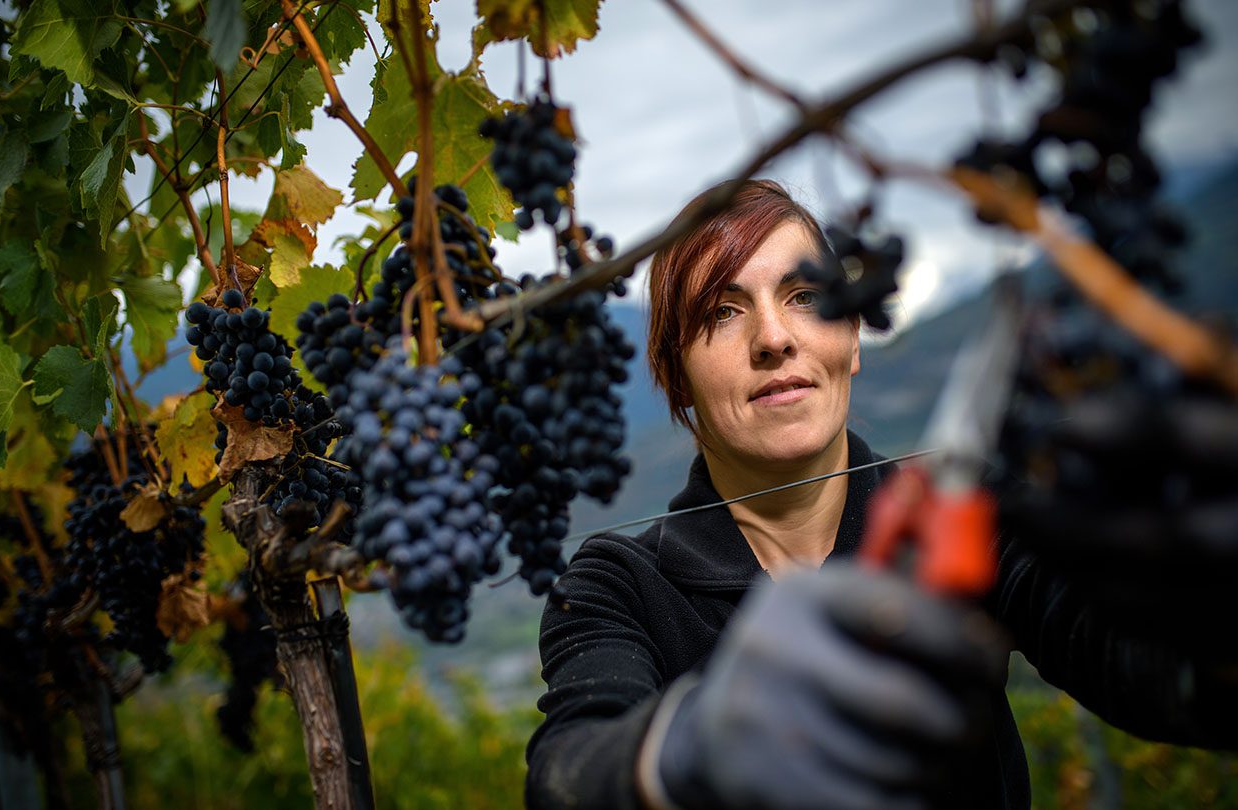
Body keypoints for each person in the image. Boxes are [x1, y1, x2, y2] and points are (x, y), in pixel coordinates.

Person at [524, 179, 1236, 810]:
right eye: (721, 313)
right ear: (676, 380)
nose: (773, 338)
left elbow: (1136, 666)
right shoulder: (612, 583)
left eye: (804, 297)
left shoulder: (967, 512)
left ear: (853, 338)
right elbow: (569, 772)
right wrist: (678, 752)